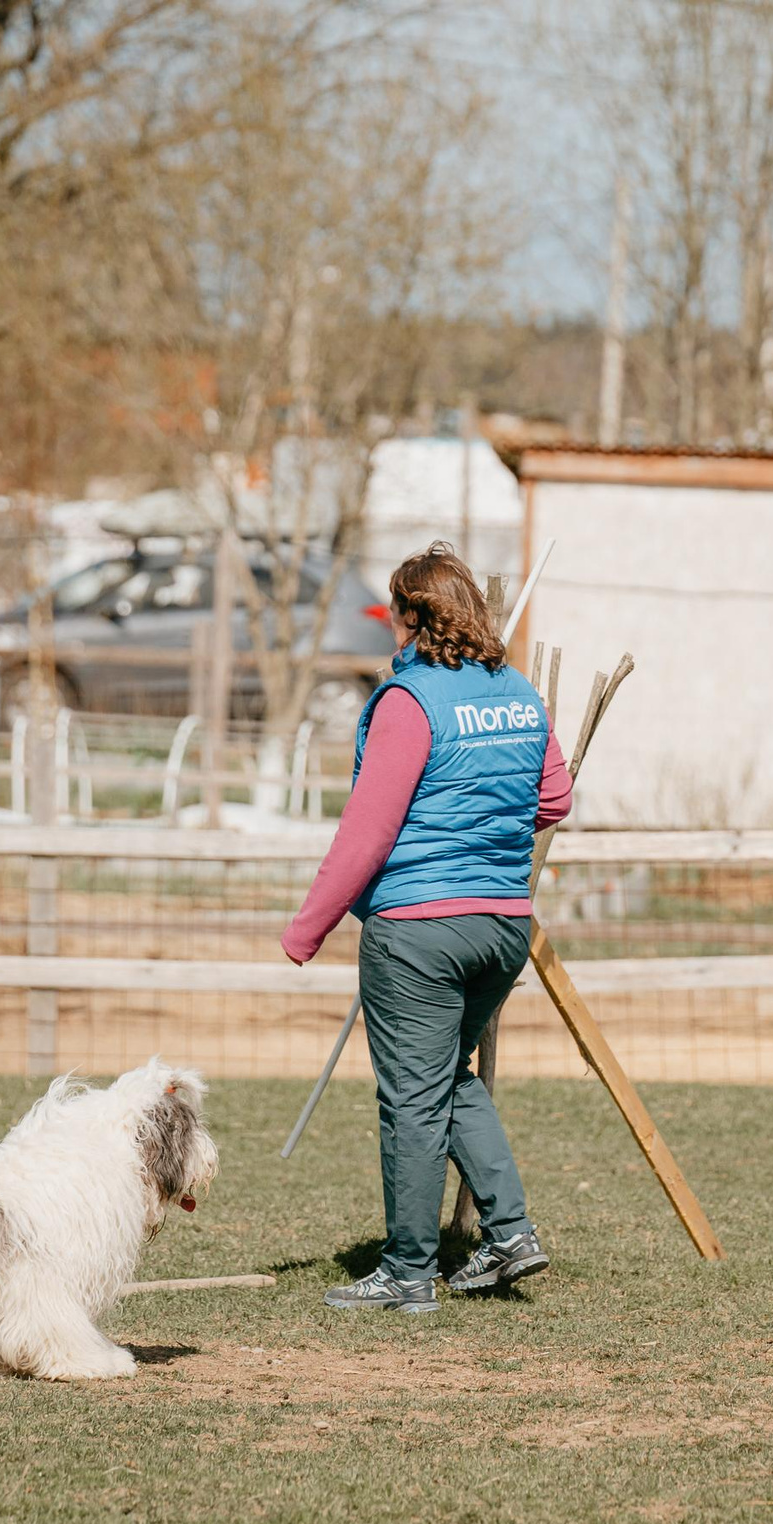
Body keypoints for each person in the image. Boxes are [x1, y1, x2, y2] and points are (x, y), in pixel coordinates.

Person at [282, 542, 571, 1314]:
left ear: (413, 617)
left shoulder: (410, 702)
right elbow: (555, 801)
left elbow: (368, 832)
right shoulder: (518, 693)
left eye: (396, 614)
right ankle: (509, 1235)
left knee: (410, 1097)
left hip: (419, 929)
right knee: (446, 1078)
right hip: (503, 924)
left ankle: (408, 1272)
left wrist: (307, 928)